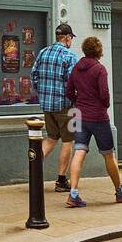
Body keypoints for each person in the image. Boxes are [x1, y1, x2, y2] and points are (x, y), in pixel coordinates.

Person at [65, 36, 122, 206]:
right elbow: (104, 94)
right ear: (98, 51)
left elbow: (68, 92)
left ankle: (73, 193)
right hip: (98, 117)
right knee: (108, 154)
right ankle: (120, 191)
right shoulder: (99, 69)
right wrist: (104, 104)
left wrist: (78, 101)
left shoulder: (76, 68)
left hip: (80, 115)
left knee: (79, 151)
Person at [31, 23, 79, 192]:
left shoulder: (43, 52)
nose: (71, 41)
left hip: (47, 105)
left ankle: (33, 171)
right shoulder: (69, 56)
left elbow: (34, 75)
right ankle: (61, 180)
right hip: (66, 106)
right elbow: (74, 83)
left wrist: (42, 94)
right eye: (71, 38)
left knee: (51, 137)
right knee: (68, 141)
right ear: (66, 38)